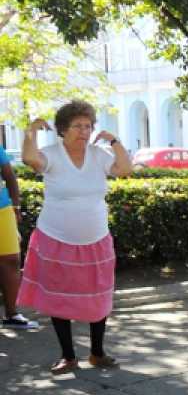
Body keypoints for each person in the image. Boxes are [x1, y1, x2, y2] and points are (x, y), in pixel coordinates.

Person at [18, 101, 133, 373]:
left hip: (96, 240)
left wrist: (115, 142)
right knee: (58, 297)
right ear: (62, 129)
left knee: (98, 295)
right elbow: (29, 159)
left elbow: (125, 170)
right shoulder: (51, 154)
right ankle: (68, 356)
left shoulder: (99, 154)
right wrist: (30, 133)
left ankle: (97, 352)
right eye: (77, 126)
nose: (84, 130)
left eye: (88, 125)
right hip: (55, 238)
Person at [0, 145, 37, 329]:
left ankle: (12, 314)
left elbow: (10, 177)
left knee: (11, 259)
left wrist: (15, 207)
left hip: (2, 209)